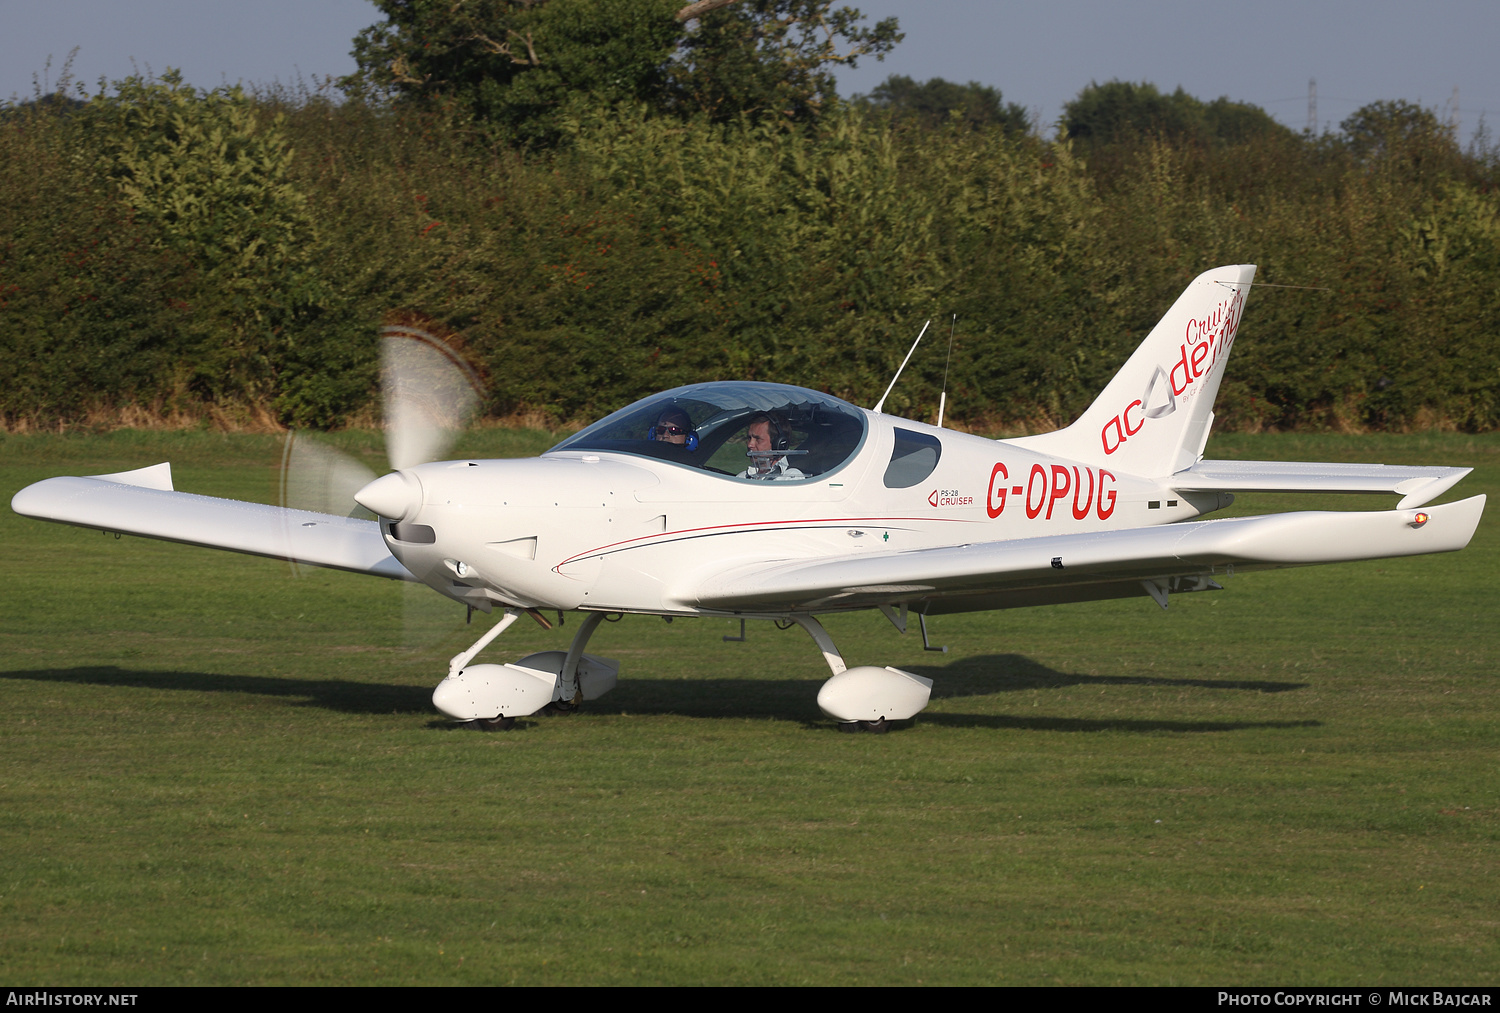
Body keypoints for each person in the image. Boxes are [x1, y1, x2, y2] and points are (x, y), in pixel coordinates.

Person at [738, 413, 804, 481]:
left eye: (758, 439)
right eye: (749, 438)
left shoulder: (791, 477)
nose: (750, 445)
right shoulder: (742, 477)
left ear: (778, 444)